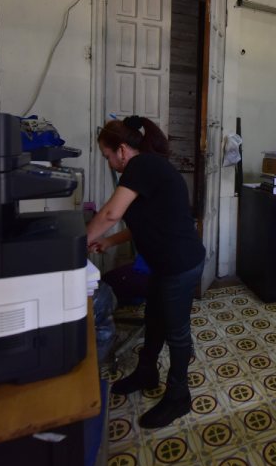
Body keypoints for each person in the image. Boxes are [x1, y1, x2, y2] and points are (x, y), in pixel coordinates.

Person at [86, 115, 205, 428]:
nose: (109, 163)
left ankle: (179, 396)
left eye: (108, 156)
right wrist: (108, 241)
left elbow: (112, 212)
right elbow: (143, 221)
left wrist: (80, 241)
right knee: (154, 318)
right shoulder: (146, 170)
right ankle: (146, 371)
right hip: (164, 263)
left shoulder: (142, 167)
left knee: (177, 332)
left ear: (123, 150)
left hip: (180, 264)